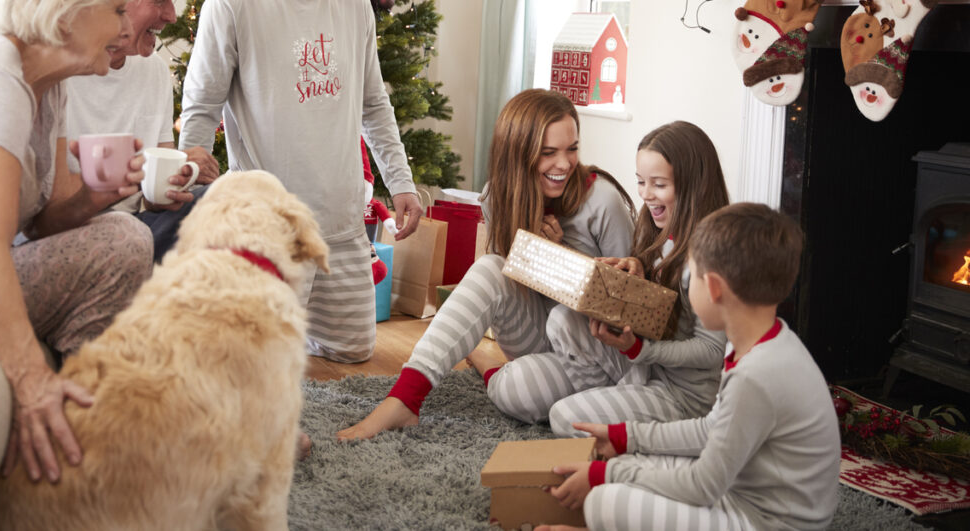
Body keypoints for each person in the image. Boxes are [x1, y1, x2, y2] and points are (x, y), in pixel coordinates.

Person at [178, 0, 421, 363]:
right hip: (273, 222)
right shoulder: (232, 5)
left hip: (342, 218)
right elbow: (200, 106)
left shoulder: (355, 8)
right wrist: (190, 159)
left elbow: (374, 105)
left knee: (354, 350)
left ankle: (289, 333)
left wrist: (402, 183)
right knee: (263, 362)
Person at [0, 0, 153, 484]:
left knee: (117, 230)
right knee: (124, 240)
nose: (125, 26)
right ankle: (89, 425)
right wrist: (29, 382)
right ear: (67, 10)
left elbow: (42, 226)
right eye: (115, 9)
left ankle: (97, 419)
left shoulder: (47, 85)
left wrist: (94, 199)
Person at [338, 89, 637, 441]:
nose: (565, 164)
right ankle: (404, 399)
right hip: (539, 334)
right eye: (549, 153)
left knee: (516, 391)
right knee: (490, 267)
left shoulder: (602, 201)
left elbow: (628, 308)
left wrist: (558, 259)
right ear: (518, 152)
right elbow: (502, 290)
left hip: (597, 353)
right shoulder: (499, 196)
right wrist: (530, 256)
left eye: (572, 148)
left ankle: (489, 367)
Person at [537, 203, 841, 531]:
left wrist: (606, 475)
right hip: (742, 491)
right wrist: (627, 437)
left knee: (604, 498)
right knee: (627, 463)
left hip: (764, 522)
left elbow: (702, 485)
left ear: (712, 288)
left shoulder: (756, 376)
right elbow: (710, 429)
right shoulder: (767, 342)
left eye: (690, 275)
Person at [545, 121, 729, 436]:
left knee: (563, 417)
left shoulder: (711, 254)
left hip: (684, 398)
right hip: (649, 369)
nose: (645, 195)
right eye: (641, 182)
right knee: (562, 318)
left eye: (658, 184)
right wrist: (634, 273)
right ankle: (616, 408)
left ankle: (627, 428)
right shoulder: (658, 233)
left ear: (692, 186)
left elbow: (712, 351)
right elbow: (659, 311)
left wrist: (639, 350)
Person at [65, 0, 219, 261]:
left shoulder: (153, 71)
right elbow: (43, 206)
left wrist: (177, 179)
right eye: (160, 0)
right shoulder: (57, 75)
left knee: (231, 196)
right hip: (71, 232)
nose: (172, 16)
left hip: (139, 226)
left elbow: (154, 197)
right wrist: (137, 176)